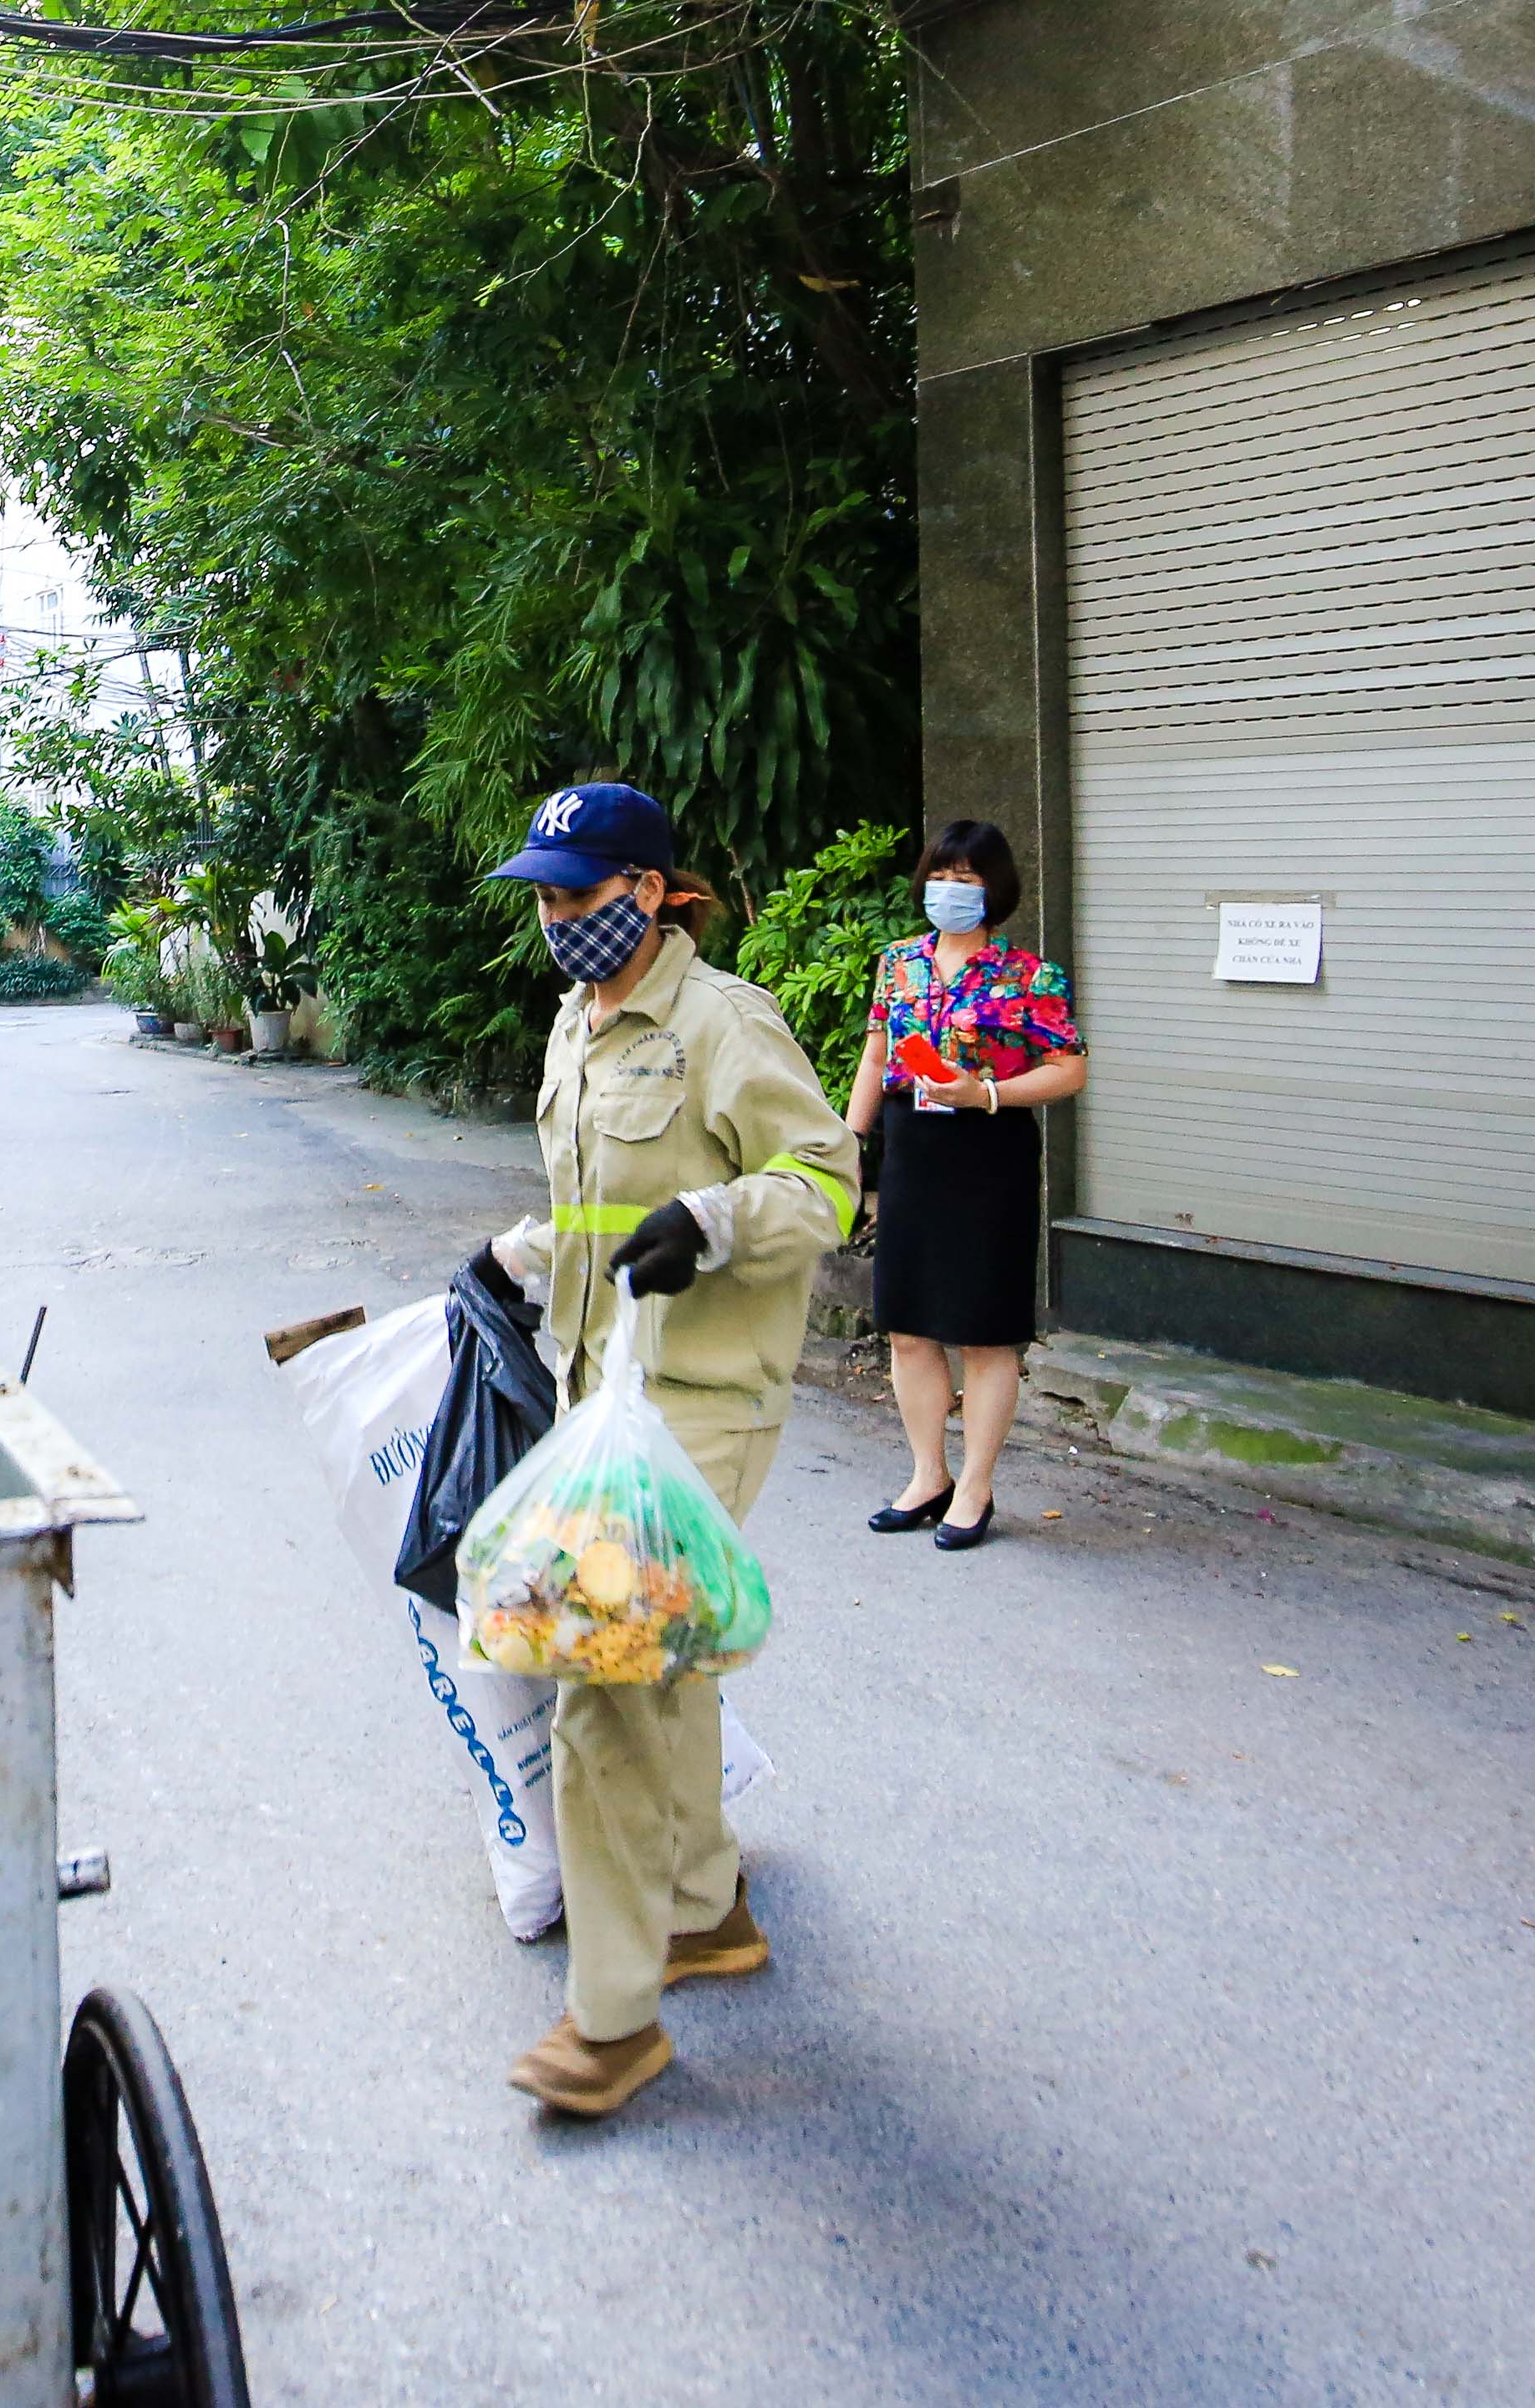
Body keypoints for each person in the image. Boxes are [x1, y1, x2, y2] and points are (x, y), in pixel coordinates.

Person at [477, 781, 856, 2118]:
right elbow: (596, 1204)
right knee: (662, 1659)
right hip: (604, 1387)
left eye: (576, 896)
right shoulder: (581, 1024)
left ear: (646, 892)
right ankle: (703, 1906)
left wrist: (714, 1217)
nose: (553, 919)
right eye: (543, 895)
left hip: (703, 1393)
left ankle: (613, 2019)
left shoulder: (722, 1022)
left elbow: (827, 1184)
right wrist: (523, 1251)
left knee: (604, 1684)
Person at [842, 820, 1086, 1550]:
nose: (950, 891)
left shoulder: (1029, 975)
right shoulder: (897, 964)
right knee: (909, 1326)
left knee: (984, 1332)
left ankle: (975, 1486)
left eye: (968, 879)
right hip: (912, 1151)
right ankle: (928, 1475)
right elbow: (875, 1052)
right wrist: (848, 1145)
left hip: (990, 1155)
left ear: (996, 889)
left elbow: (1069, 1067)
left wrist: (986, 1094)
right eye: (941, 876)